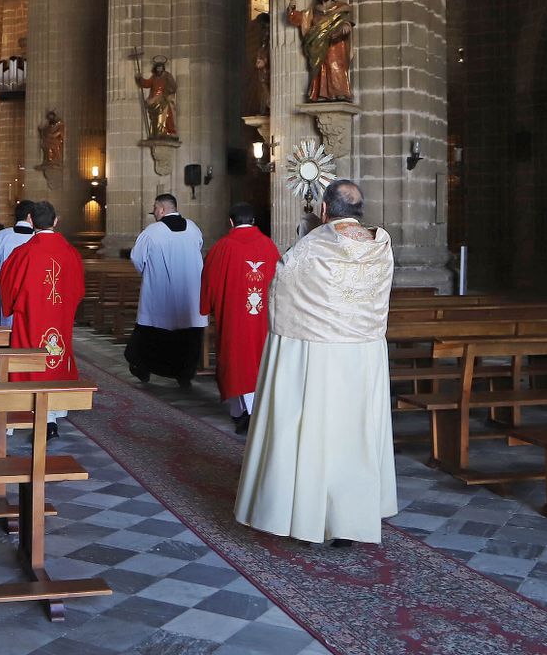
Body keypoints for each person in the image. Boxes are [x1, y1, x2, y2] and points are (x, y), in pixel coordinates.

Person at [235, 179, 397, 545]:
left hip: (316, 354)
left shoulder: (311, 248)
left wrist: (304, 234)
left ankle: (308, 517)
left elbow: (281, 284)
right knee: (353, 435)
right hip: (363, 355)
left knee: (315, 433)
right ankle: (351, 521)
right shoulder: (382, 247)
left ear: (324, 209)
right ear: (359, 211)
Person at [0, 201, 85, 437]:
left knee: (30, 357)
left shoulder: (23, 253)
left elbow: (5, 282)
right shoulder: (70, 253)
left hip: (30, 320)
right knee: (55, 356)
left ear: (32, 221)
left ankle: (22, 414)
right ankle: (51, 416)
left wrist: (14, 305)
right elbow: (78, 290)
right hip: (59, 317)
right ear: (55, 221)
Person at [200, 203, 280, 434]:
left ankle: (242, 414)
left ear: (231, 222)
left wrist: (205, 307)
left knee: (235, 363)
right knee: (259, 361)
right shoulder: (269, 246)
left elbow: (209, 281)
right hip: (263, 320)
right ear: (254, 222)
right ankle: (257, 412)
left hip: (233, 320)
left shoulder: (222, 247)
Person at [125, 193, 207, 386]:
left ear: (161, 209)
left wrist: (151, 274)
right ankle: (184, 375)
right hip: (190, 296)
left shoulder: (152, 232)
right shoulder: (194, 229)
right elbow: (199, 249)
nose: (153, 212)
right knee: (187, 338)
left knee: (152, 335)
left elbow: (137, 259)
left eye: (155, 208)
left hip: (160, 294)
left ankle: (143, 369)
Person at [286, 0, 354, 102]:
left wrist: (345, 26)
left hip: (336, 43)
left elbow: (346, 21)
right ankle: (321, 94)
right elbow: (299, 18)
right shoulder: (313, 10)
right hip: (317, 43)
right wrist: (292, 9)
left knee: (336, 66)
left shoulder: (340, 7)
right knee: (321, 67)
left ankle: (340, 93)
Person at [0, 200, 36, 326]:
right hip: (30, 290)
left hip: (4, 287)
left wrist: (0, 278)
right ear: (29, 216)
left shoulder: (1, 236)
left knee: (3, 325)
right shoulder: (37, 238)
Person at [135, 58, 178, 138]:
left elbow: (173, 86)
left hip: (164, 98)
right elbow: (147, 83)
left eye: (161, 67)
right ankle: (156, 131)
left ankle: (165, 131)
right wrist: (140, 79)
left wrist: (168, 93)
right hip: (154, 100)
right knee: (156, 113)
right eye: (158, 67)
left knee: (166, 112)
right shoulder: (154, 77)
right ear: (156, 68)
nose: (159, 69)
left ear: (163, 68)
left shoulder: (167, 76)